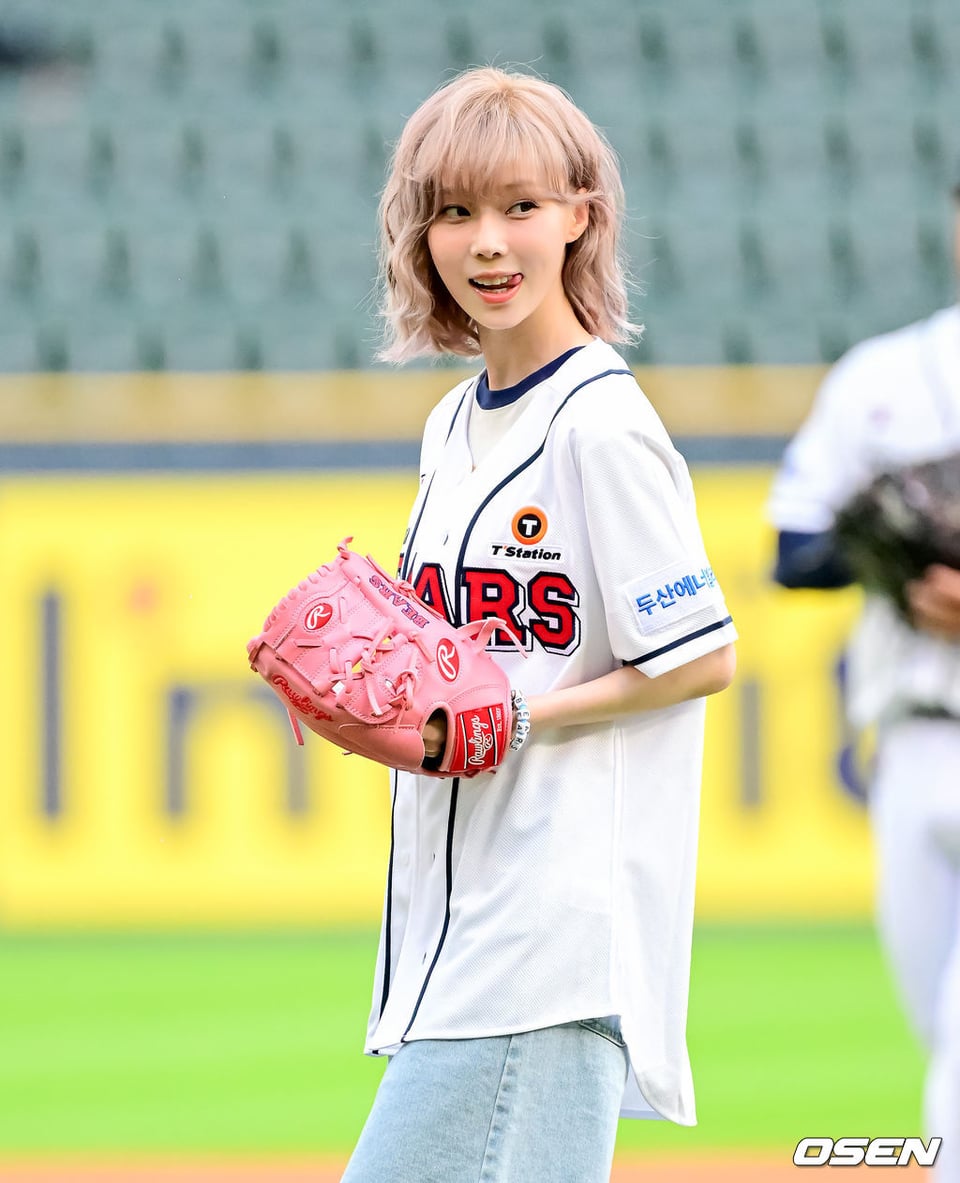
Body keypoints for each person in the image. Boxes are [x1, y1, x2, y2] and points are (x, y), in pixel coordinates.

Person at [340, 67, 738, 1183]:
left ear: (580, 215)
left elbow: (700, 656)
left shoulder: (600, 422)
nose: (488, 241)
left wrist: (510, 716)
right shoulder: (452, 422)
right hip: (466, 919)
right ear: (420, 235)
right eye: (455, 211)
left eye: (520, 205)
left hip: (551, 933)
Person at [768, 181, 960, 1181]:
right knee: (935, 1018)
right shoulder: (885, 376)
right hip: (917, 737)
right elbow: (792, 550)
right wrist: (895, 561)